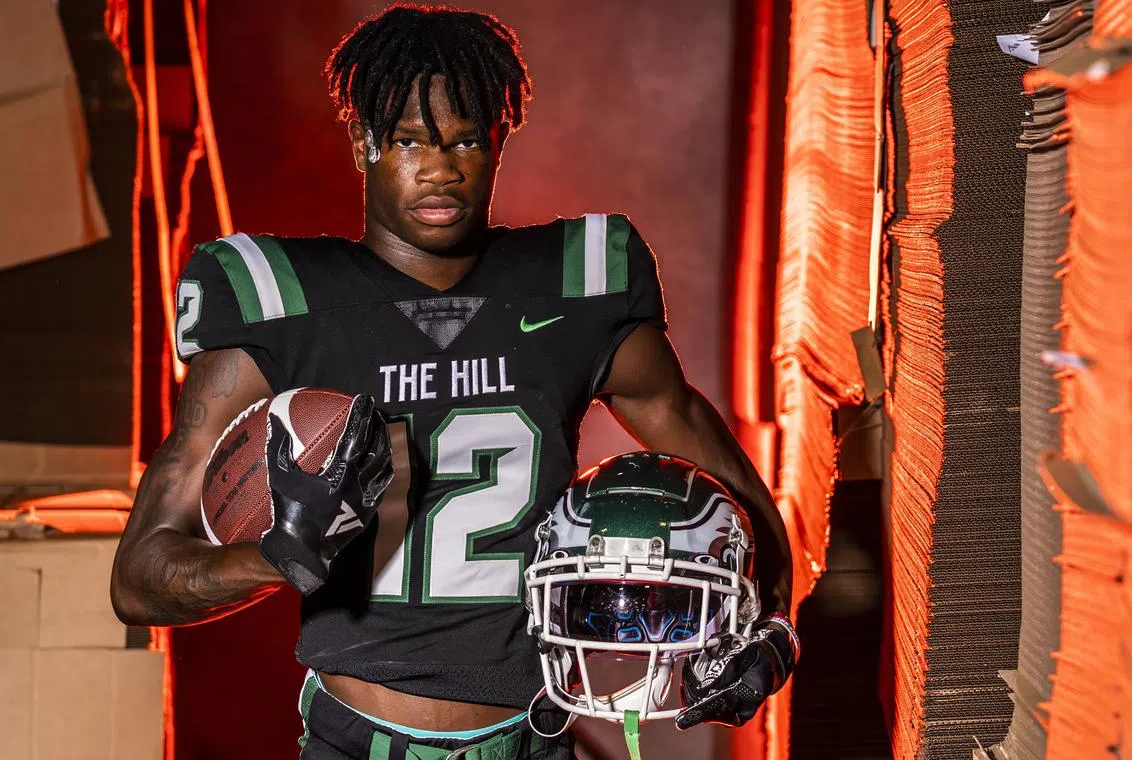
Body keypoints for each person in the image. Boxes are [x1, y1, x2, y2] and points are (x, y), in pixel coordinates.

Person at [110, 6, 796, 759]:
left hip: (531, 736)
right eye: (409, 141)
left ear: (499, 140)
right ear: (363, 143)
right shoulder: (281, 302)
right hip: (358, 741)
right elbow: (140, 580)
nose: (441, 169)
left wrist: (774, 630)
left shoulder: (577, 282)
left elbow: (734, 496)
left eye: (465, 140)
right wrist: (276, 558)